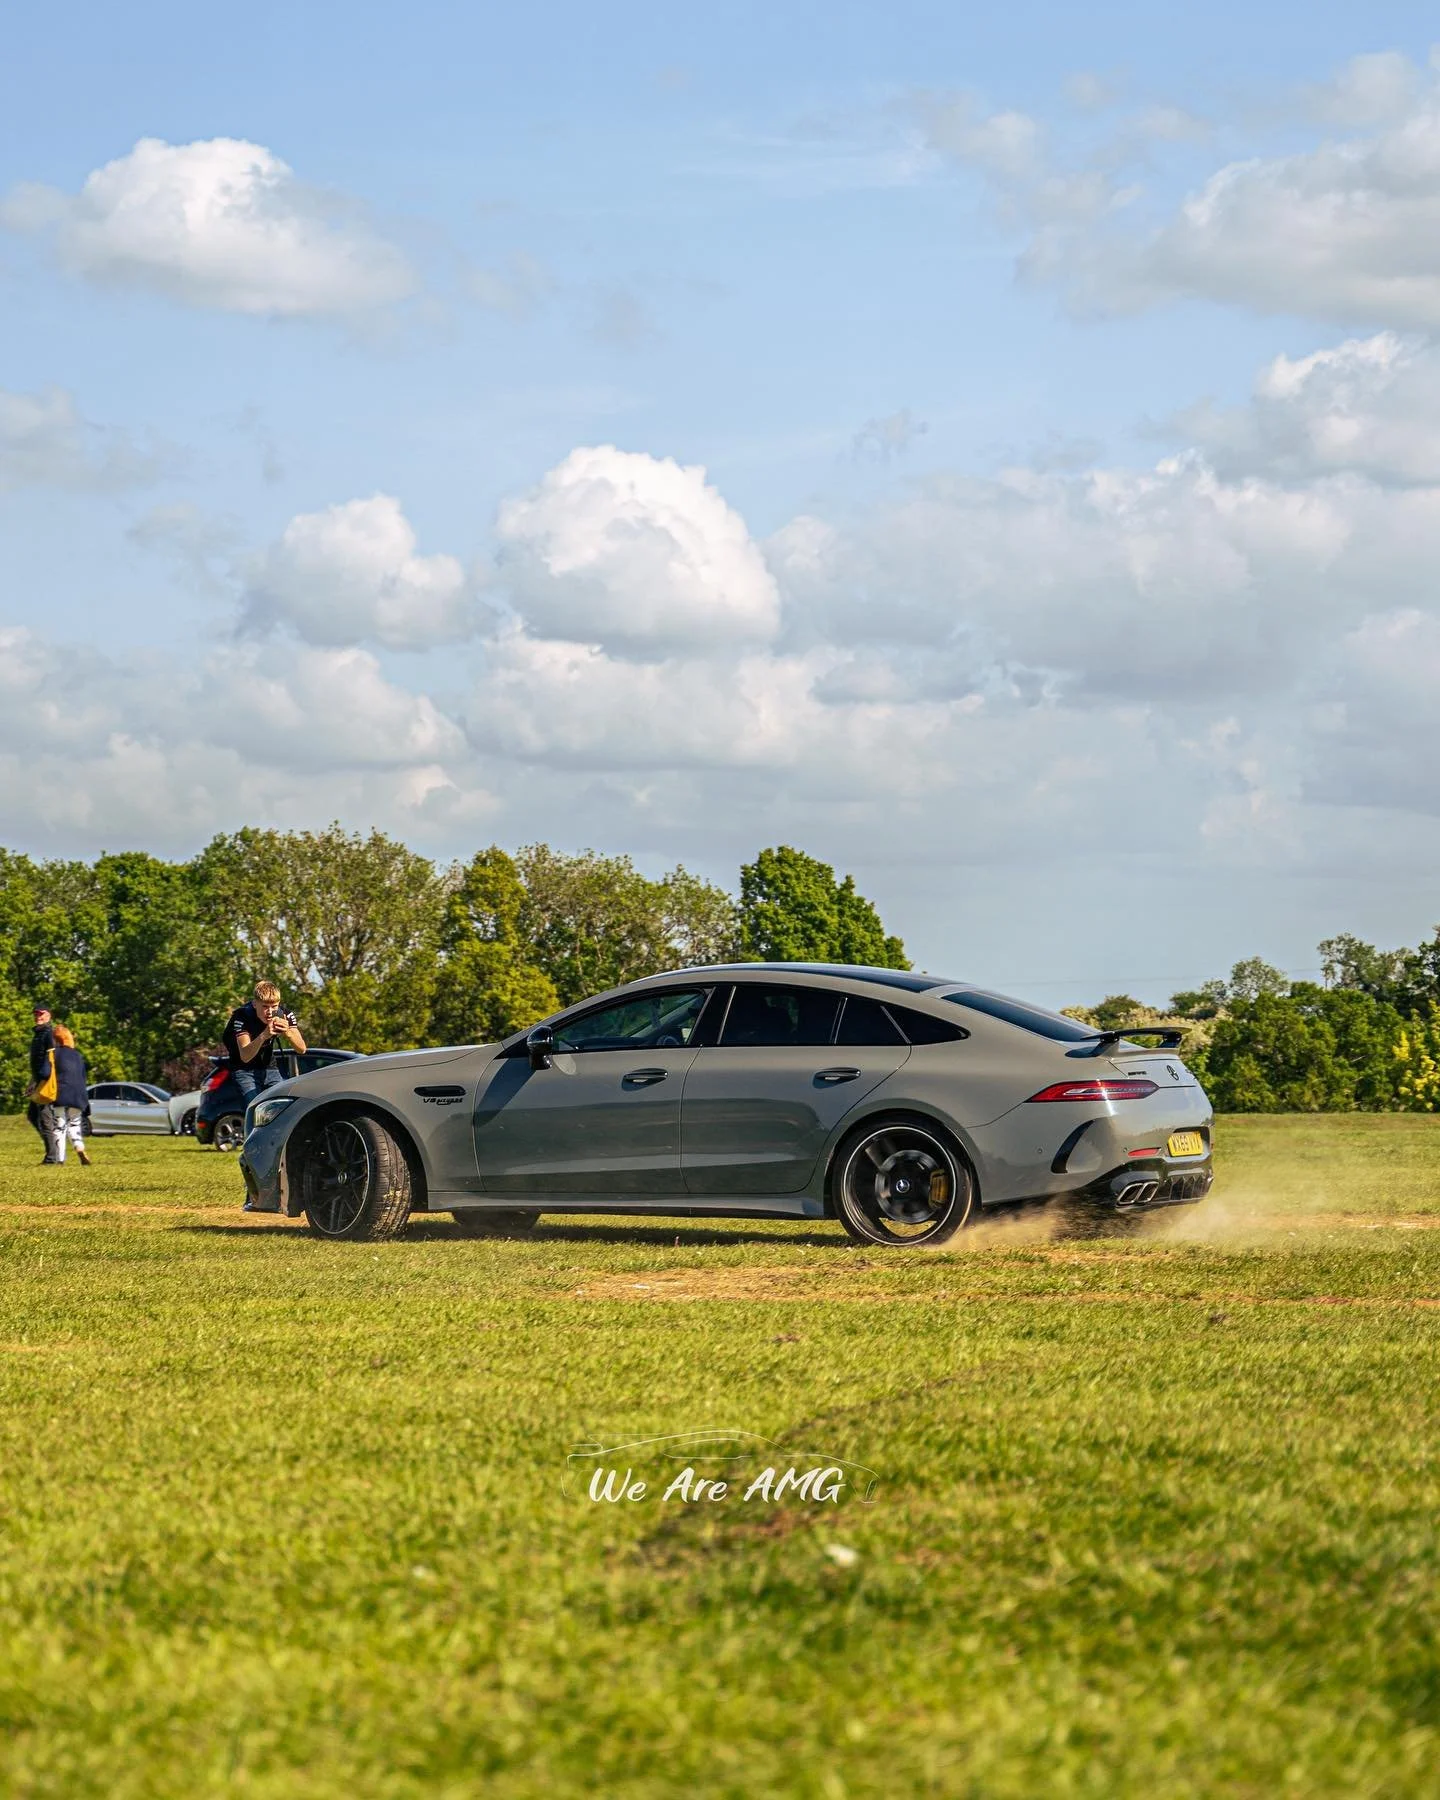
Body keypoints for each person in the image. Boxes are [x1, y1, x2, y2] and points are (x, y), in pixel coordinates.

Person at [223, 979, 307, 1104]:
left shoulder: (284, 1014)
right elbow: (245, 1056)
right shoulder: (242, 1016)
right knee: (256, 1107)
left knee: (282, 1106)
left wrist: (287, 1032)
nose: (270, 1012)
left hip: (269, 1066)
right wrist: (264, 1035)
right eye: (265, 1007)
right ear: (255, 1004)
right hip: (243, 1068)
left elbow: (302, 1049)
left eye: (274, 1006)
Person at [44, 1023, 91, 1166]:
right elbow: (83, 1076)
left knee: (59, 1125)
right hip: (79, 1094)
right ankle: (79, 1147)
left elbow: (46, 1072)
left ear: (55, 1040)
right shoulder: (78, 1055)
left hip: (61, 1093)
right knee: (75, 1124)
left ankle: (60, 1160)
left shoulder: (53, 1053)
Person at [28, 1004, 57, 1163]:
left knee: (45, 1119)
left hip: (45, 1081)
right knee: (32, 1115)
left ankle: (52, 1157)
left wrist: (43, 1079)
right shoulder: (38, 1034)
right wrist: (32, 1082)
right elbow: (36, 1062)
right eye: (36, 1014)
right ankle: (52, 1150)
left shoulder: (47, 1034)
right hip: (38, 1079)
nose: (38, 1016)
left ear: (49, 1016)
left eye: (41, 1013)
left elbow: (50, 1060)